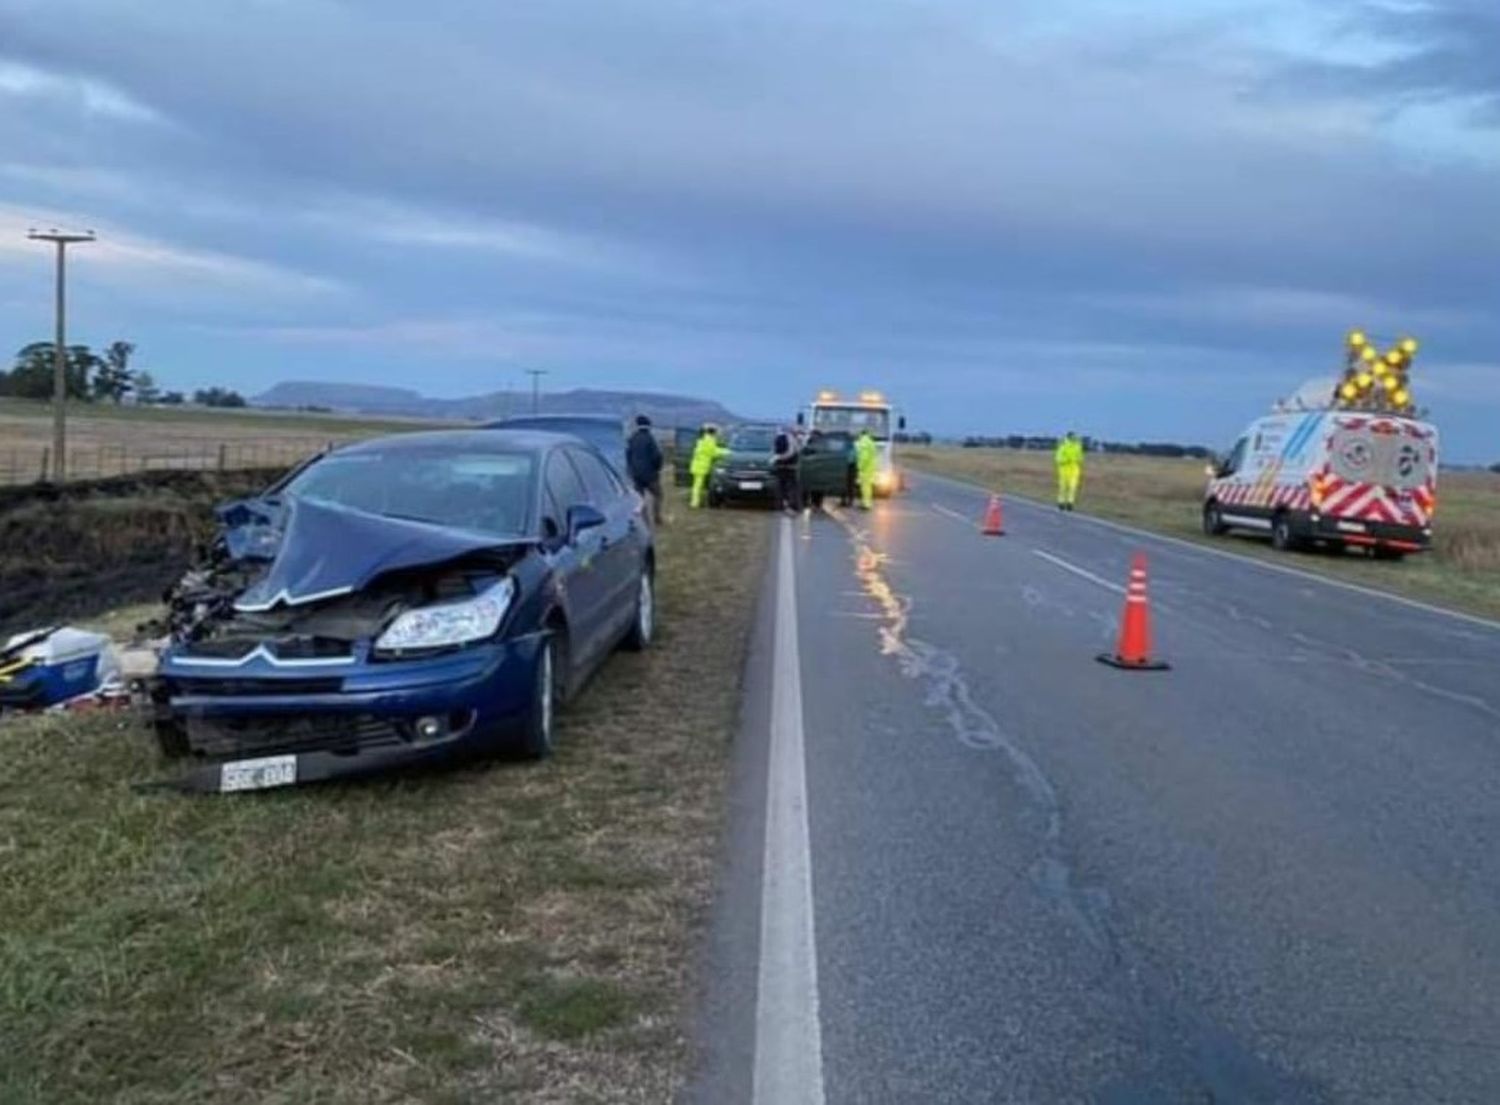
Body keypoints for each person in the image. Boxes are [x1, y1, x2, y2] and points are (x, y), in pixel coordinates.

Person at [626, 414, 664, 524]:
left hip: (636, 474)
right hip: (650, 474)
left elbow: (628, 455)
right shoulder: (649, 438)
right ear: (648, 425)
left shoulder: (632, 438)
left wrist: (630, 470)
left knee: (640, 499)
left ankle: (643, 521)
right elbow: (657, 456)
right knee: (658, 495)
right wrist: (658, 468)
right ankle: (657, 518)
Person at [688, 423, 727, 509]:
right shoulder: (709, 440)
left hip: (697, 465)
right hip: (701, 466)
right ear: (713, 432)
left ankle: (696, 502)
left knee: (697, 485)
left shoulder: (703, 439)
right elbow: (713, 452)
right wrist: (727, 452)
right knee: (697, 486)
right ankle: (695, 502)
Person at [771, 425, 801, 514]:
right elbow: (794, 451)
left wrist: (776, 459)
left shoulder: (778, 438)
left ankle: (781, 505)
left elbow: (776, 452)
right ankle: (792, 506)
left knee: (781, 486)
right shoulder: (792, 439)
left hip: (780, 466)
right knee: (792, 487)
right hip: (791, 466)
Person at [1055, 431, 1085, 511]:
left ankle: (1070, 503)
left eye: (1074, 437)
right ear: (1068, 437)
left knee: (1073, 487)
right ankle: (1061, 502)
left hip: (1074, 469)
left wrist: (1078, 460)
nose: (1074, 438)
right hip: (1064, 469)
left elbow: (1080, 457)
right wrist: (1065, 460)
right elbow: (1058, 458)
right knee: (1063, 487)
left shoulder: (1078, 445)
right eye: (1072, 437)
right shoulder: (1063, 445)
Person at [854, 427, 879, 510]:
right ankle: (866, 503)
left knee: (865, 488)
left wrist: (859, 467)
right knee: (867, 487)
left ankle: (866, 504)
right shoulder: (871, 442)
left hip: (865, 469)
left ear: (861, 434)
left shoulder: (863, 442)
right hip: (870, 468)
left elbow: (863, 457)